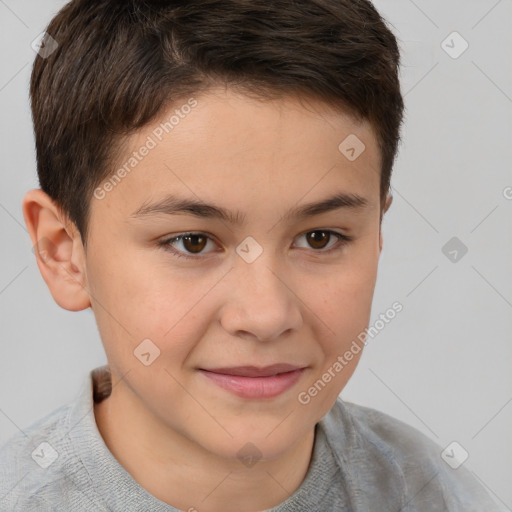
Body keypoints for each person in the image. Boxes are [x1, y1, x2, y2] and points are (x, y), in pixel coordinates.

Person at [0, 0, 504, 510]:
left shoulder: (438, 494)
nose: (266, 316)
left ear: (377, 232)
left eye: (320, 238)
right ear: (64, 253)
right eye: (192, 242)